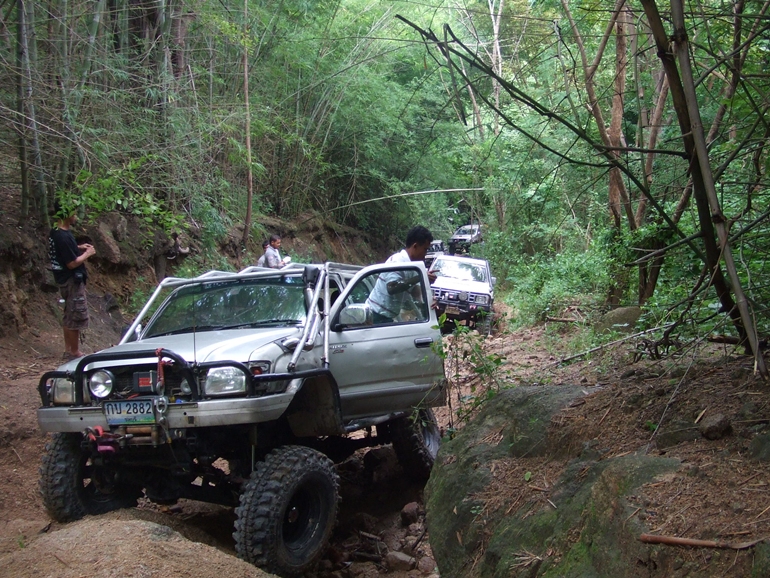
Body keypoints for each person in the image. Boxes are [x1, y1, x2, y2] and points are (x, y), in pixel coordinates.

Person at [48, 201, 96, 359]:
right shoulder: (62, 236)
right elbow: (71, 263)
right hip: (70, 280)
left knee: (69, 313)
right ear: (67, 214)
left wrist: (78, 247)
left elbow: (63, 251)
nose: (76, 216)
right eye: (74, 213)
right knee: (75, 314)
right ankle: (75, 352)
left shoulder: (56, 231)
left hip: (62, 278)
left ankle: (69, 349)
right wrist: (87, 254)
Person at [366, 225, 436, 324]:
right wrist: (420, 277)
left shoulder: (412, 267)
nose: (426, 254)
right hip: (375, 315)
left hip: (386, 317)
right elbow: (392, 288)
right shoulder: (398, 261)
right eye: (425, 249)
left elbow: (416, 292)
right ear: (415, 246)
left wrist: (430, 300)